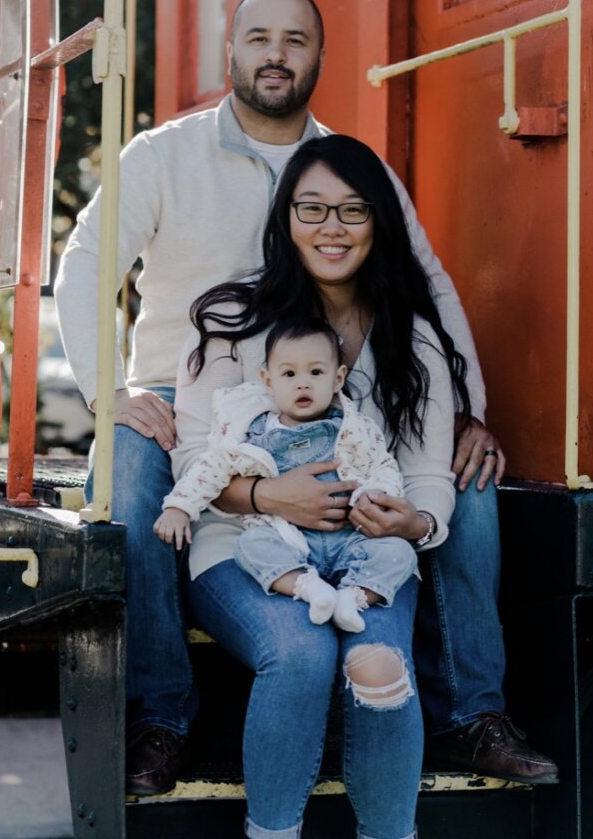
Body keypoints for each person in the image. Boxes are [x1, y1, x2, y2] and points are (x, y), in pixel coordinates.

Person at [54, 0, 556, 795]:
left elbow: (427, 283)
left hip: (337, 394)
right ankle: (160, 716)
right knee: (131, 470)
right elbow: (84, 264)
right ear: (232, 50)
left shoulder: (350, 168)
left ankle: (472, 713)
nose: (276, 55)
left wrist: (469, 412)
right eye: (259, 38)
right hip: (184, 397)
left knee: (469, 479)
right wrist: (107, 391)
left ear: (320, 56)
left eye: (296, 40)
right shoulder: (162, 155)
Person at [171, 133, 484, 838]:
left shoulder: (414, 339)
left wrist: (414, 522)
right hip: (245, 545)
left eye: (353, 209)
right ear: (286, 218)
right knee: (301, 654)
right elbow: (191, 458)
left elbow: (428, 474)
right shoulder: (231, 321)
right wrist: (266, 495)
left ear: (379, 220)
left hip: (365, 551)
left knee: (377, 660)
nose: (331, 227)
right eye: (311, 208)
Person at [154, 318, 419, 633]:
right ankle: (307, 587)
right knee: (250, 546)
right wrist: (179, 506)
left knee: (400, 553)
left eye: (316, 373)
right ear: (268, 381)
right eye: (289, 374)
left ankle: (353, 597)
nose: (302, 384)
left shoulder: (357, 430)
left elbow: (383, 466)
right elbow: (210, 468)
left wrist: (374, 495)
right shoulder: (252, 434)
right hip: (287, 540)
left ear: (338, 379)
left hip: (349, 538)